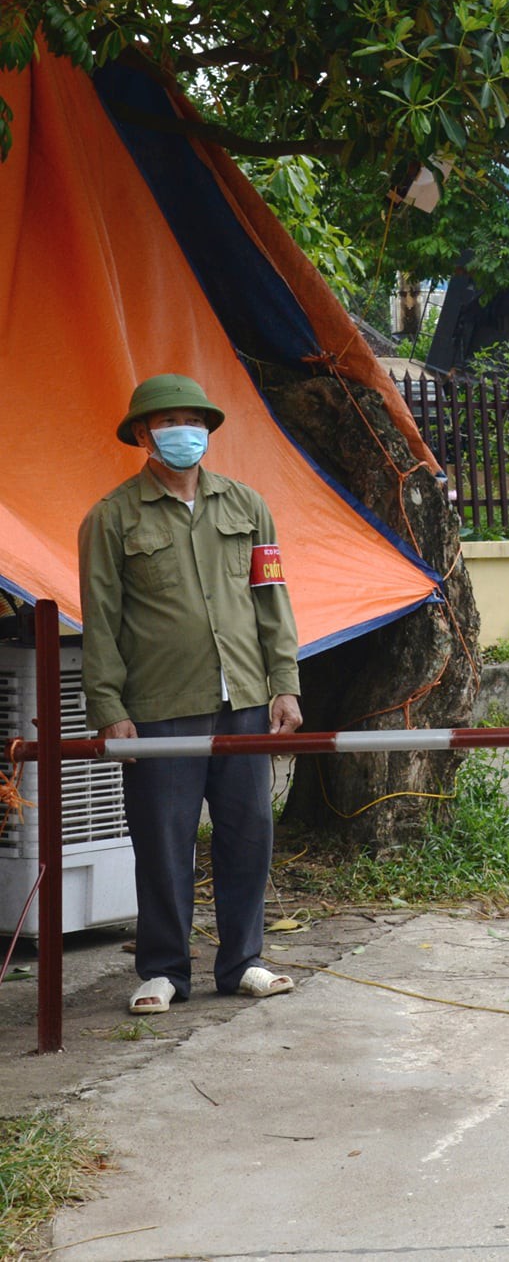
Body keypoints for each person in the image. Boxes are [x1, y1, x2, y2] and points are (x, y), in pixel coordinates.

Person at [79, 374, 303, 1016]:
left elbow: (272, 599)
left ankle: (243, 962)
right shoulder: (111, 517)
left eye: (196, 420)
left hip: (246, 702)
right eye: (170, 421)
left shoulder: (248, 506)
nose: (187, 432)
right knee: (162, 839)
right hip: (159, 708)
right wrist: (109, 708)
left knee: (248, 834)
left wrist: (284, 683)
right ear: (144, 435)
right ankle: (164, 970)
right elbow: (101, 619)